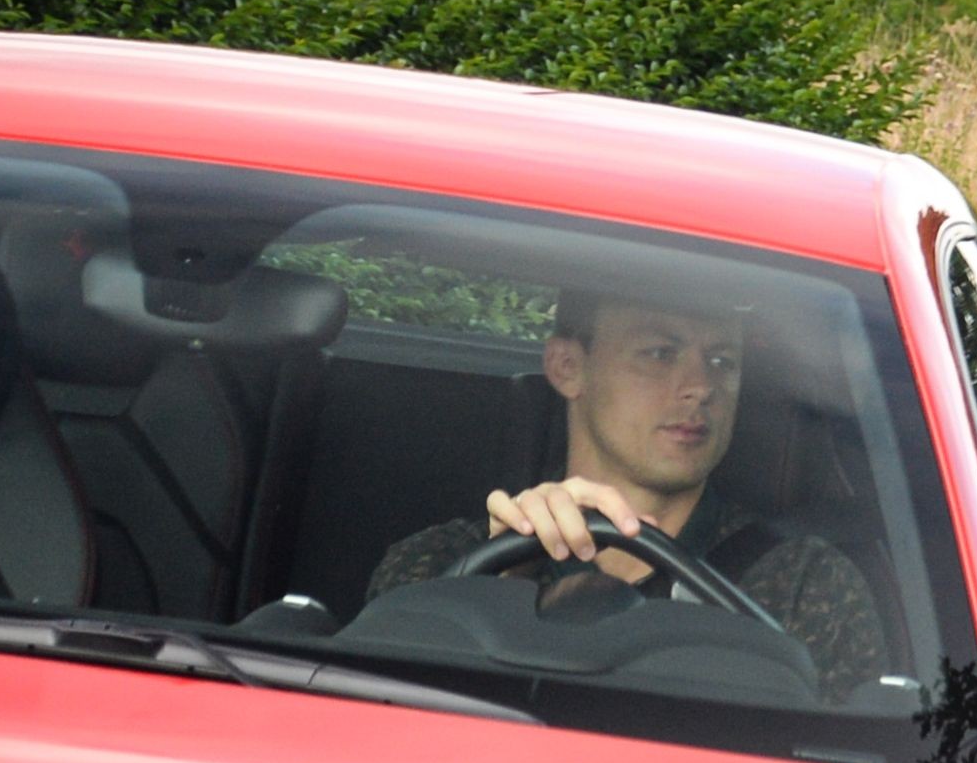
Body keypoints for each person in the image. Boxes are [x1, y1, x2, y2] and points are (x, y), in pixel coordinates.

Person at [366, 291, 887, 700]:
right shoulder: (436, 563)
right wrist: (488, 593)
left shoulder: (805, 586)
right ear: (568, 367)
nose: (700, 386)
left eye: (723, 362)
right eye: (660, 353)